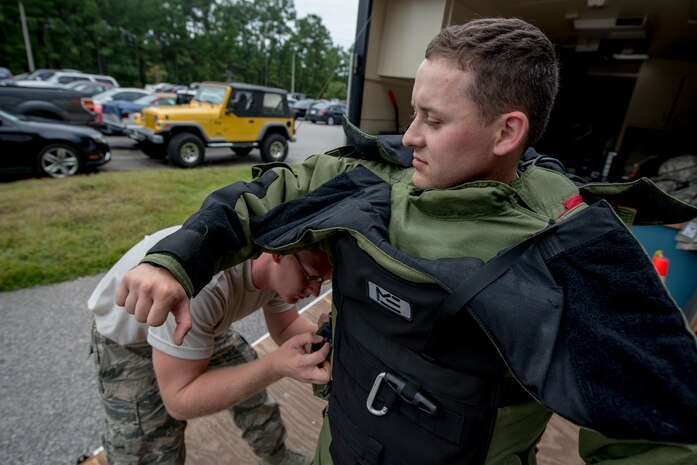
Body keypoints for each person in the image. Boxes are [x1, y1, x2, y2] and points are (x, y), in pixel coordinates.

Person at [115, 18, 697, 465]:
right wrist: (177, 260)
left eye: (434, 120)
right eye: (412, 114)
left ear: (507, 131)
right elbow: (262, 193)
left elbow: (655, 438)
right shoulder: (378, 173)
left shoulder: (575, 251)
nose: (410, 136)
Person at [89, 226, 332, 465]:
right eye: (312, 277)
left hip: (194, 327)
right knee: (148, 442)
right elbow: (179, 399)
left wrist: (325, 339)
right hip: (131, 340)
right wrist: (275, 367)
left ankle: (277, 457)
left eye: (324, 280)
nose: (315, 291)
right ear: (279, 253)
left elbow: (285, 327)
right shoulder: (206, 285)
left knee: (252, 390)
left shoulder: (282, 265)